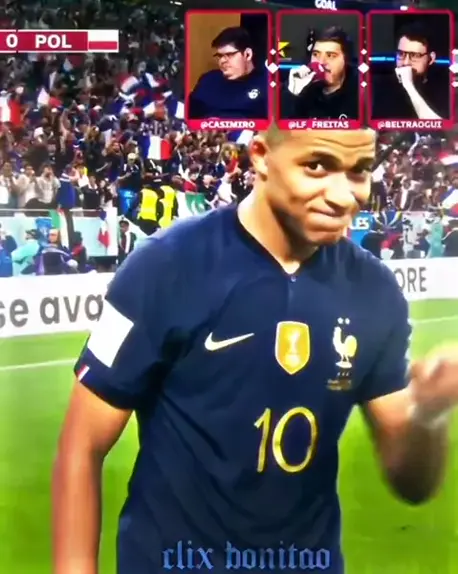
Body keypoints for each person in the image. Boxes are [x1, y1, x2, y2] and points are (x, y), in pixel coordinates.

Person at [53, 128, 458, 574]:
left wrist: (429, 414)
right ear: (261, 156)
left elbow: (412, 484)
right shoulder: (164, 265)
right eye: (317, 166)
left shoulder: (373, 290)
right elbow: (81, 446)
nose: (343, 196)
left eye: (359, 171)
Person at [371, 22, 449, 120]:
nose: (406, 62)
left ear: (431, 58)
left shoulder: (445, 88)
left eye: (415, 55)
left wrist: (409, 86)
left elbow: (442, 126)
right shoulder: (380, 86)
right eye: (401, 54)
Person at [188, 26, 268, 119]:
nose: (222, 61)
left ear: (247, 54)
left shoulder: (267, 84)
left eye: (229, 55)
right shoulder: (208, 80)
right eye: (219, 56)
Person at [281, 26, 359, 120]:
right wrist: (292, 95)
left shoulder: (361, 91)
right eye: (316, 54)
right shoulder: (297, 85)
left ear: (346, 60)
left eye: (330, 55)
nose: (321, 62)